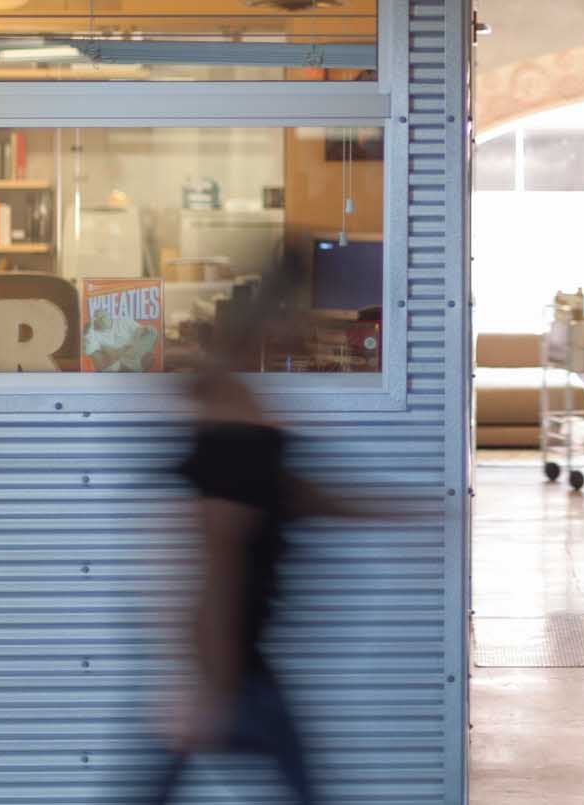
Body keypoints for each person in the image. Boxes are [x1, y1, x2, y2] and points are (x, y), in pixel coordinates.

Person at [150, 300, 398, 803]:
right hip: (229, 671)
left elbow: (299, 497)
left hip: (240, 665)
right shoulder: (231, 444)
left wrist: (409, 510)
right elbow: (216, 574)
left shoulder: (246, 435)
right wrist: (207, 687)